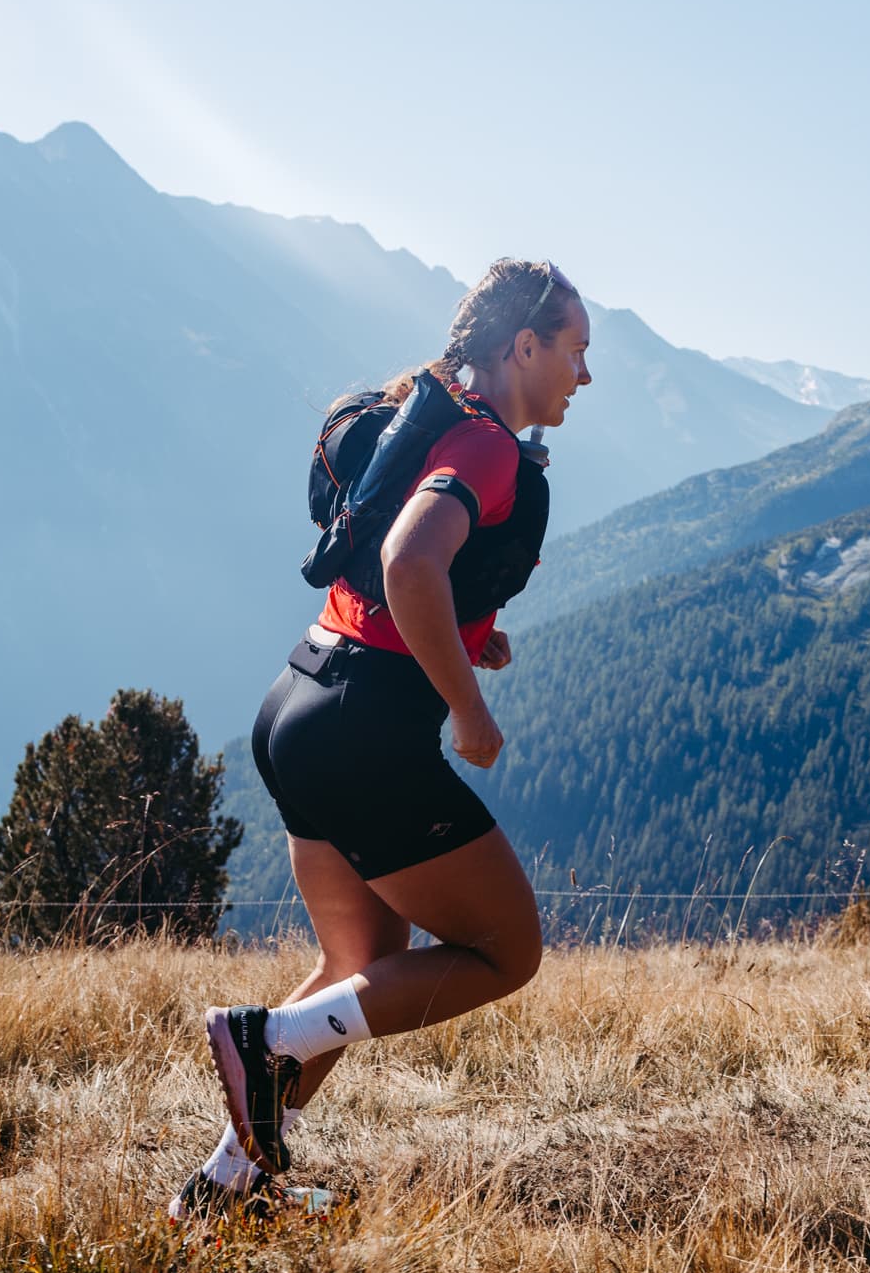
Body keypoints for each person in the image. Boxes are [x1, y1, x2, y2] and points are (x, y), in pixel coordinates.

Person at [171, 258, 592, 1219]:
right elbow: (408, 562)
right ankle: (261, 1039)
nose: (583, 374)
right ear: (521, 346)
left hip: (300, 701)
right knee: (504, 950)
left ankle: (225, 1190)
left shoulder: (437, 422)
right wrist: (470, 714)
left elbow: (408, 577)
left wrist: (470, 636)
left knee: (356, 967)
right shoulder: (485, 445)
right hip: (363, 725)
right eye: (574, 350)